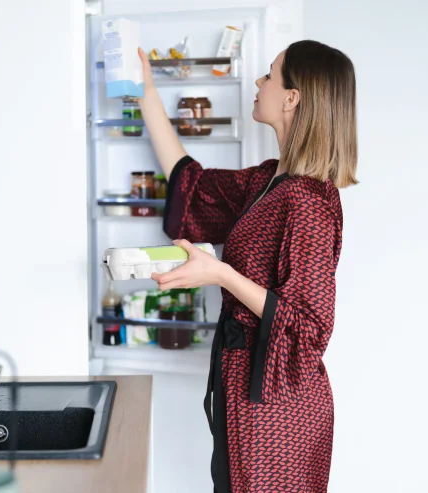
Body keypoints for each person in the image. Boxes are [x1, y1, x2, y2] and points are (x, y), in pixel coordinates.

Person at [137, 40, 358, 493]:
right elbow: (191, 186)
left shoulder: (310, 201)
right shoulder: (268, 181)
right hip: (244, 390)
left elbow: (311, 327)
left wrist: (219, 273)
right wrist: (145, 93)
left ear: (292, 97)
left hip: (278, 406)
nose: (258, 82)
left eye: (270, 75)